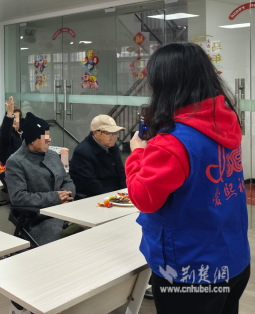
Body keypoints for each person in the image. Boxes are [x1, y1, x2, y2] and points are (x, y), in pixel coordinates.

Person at [126, 43, 250, 313]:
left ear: (166, 85)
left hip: (189, 270)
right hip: (234, 259)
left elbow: (143, 197)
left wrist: (137, 153)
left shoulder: (172, 142)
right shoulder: (225, 121)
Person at [6, 113, 76, 246]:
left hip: (65, 209)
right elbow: (18, 197)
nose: (49, 140)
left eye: (49, 136)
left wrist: (66, 195)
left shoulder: (52, 155)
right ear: (32, 140)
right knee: (76, 236)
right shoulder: (16, 162)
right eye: (45, 137)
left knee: (93, 227)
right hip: (39, 218)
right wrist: (55, 198)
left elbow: (67, 181)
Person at [69, 115, 126, 198]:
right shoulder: (82, 152)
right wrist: (114, 197)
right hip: (92, 197)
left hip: (115, 195)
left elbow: (121, 174)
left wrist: (124, 194)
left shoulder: (113, 147)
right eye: (109, 133)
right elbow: (90, 183)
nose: (113, 137)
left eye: (115, 133)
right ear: (95, 133)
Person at [0, 96, 23, 165]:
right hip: (10, 168)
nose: (14, 120)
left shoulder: (24, 133)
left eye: (16, 117)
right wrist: (9, 115)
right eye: (12, 117)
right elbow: (5, 136)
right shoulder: (6, 133)